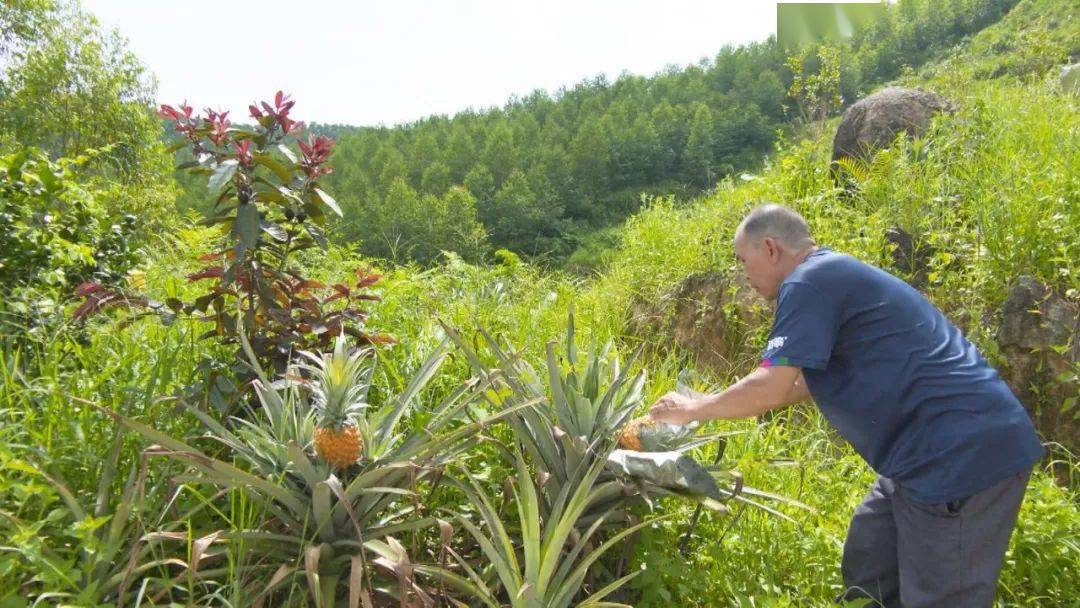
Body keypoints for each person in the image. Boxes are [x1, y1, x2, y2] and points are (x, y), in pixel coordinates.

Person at [649, 203, 1044, 608]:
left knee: (940, 596)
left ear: (770, 248)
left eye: (742, 260)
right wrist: (700, 403)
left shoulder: (808, 282)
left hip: (958, 456)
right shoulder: (826, 277)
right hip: (918, 456)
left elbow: (771, 386)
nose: (743, 275)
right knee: (870, 560)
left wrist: (695, 409)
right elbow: (794, 385)